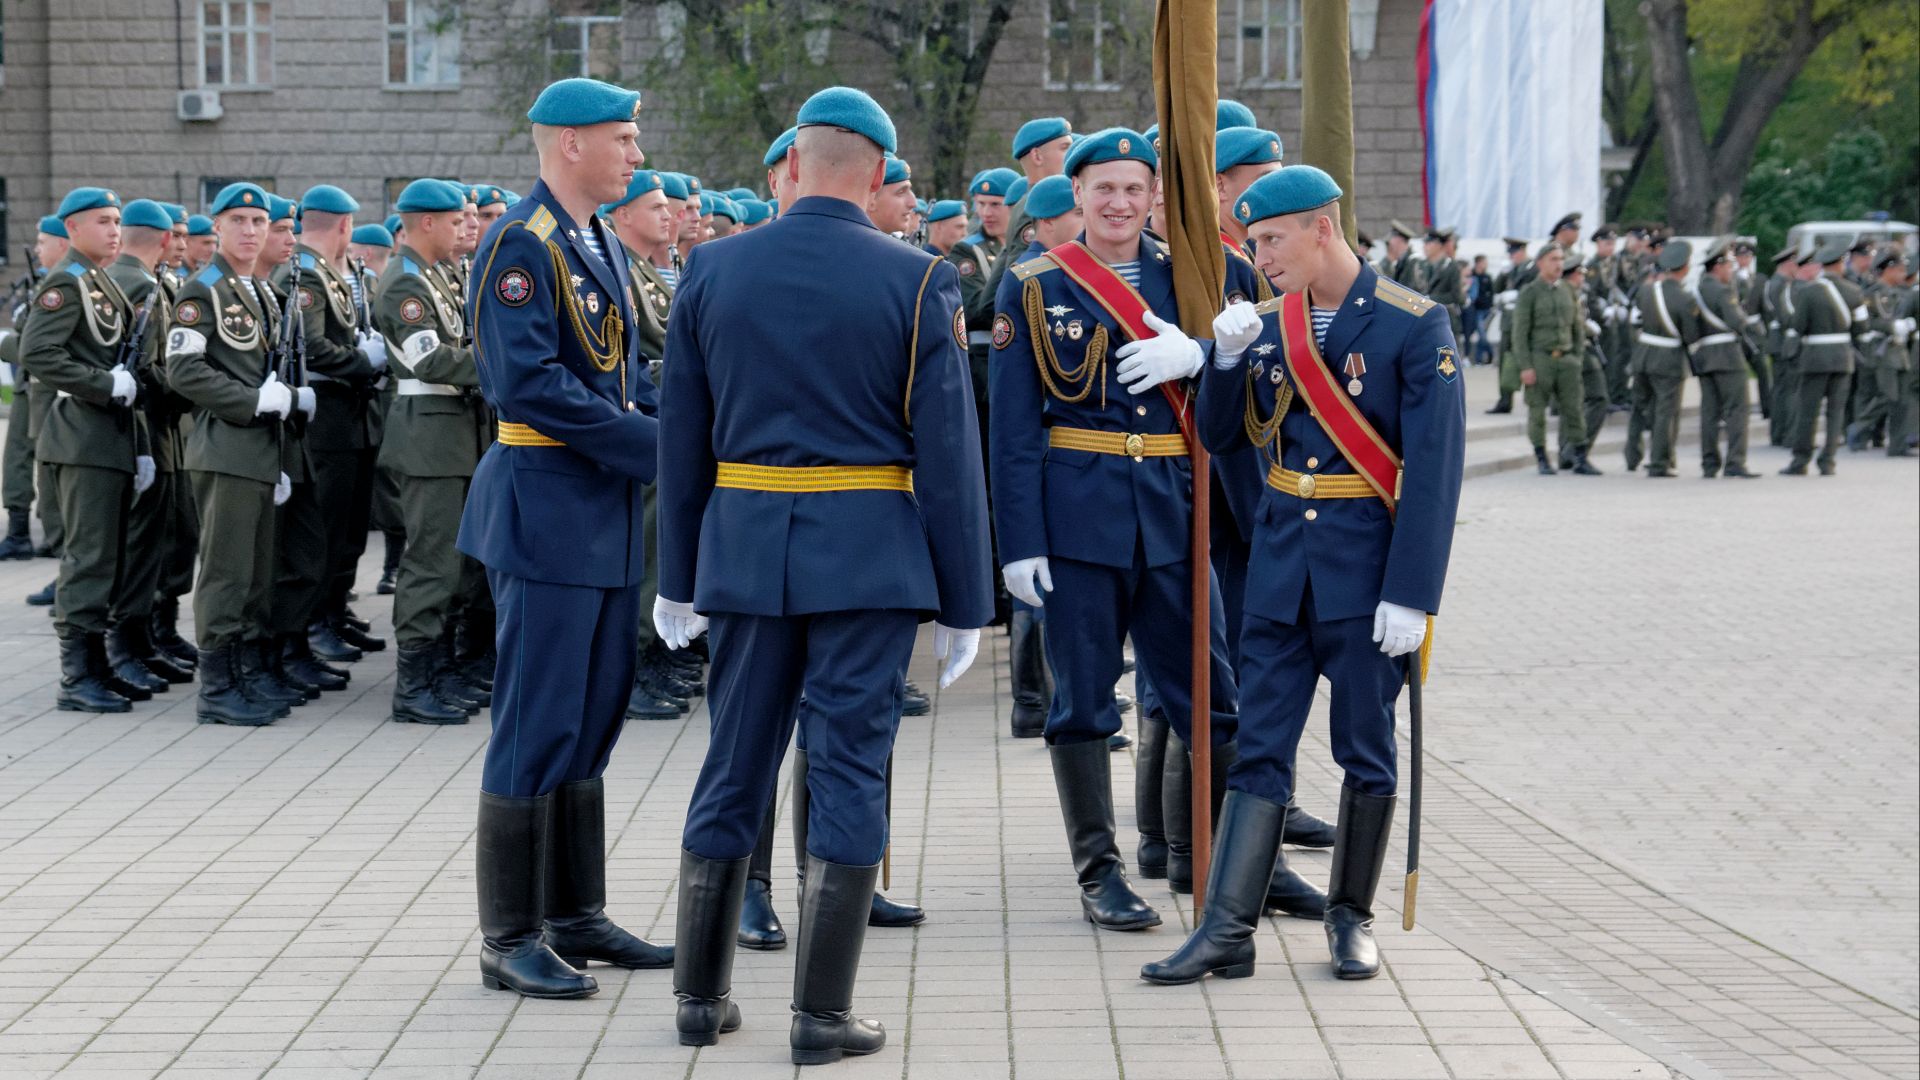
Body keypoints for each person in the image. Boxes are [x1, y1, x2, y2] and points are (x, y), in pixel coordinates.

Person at [655, 86, 991, 1064]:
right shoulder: (920, 281)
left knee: (734, 761)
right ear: (879, 174)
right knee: (847, 767)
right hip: (869, 560)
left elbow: (683, 438)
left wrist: (677, 576)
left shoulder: (711, 267)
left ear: (793, 164)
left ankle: (697, 999)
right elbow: (949, 453)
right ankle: (819, 1015)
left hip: (745, 551)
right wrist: (966, 600)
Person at [1145, 164, 1463, 987]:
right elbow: (1221, 437)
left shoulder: (1413, 324)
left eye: (1272, 240)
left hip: (1366, 577)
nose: (1260, 258)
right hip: (1282, 570)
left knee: (1366, 749)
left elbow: (1434, 474)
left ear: (1323, 228)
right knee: (1259, 749)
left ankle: (1350, 916)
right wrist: (1223, 360)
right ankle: (1227, 929)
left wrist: (1413, 594)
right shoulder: (1267, 325)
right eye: (1253, 242)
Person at [456, 77, 674, 1002]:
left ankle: (575, 914)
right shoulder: (523, 243)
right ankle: (509, 936)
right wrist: (658, 449)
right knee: (537, 719)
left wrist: (682, 426)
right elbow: (530, 384)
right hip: (546, 507)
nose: (636, 154)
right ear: (570, 143)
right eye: (622, 138)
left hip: (599, 511)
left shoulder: (596, 241)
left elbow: (620, 376)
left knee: (593, 715)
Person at [990, 127, 1240, 933]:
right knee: (1083, 704)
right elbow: (1013, 427)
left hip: (1174, 510)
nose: (1120, 203)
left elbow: (1253, 362)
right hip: (1077, 519)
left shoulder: (1197, 273)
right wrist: (1019, 541)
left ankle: (1228, 863)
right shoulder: (1034, 284)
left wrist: (1200, 355)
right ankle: (1100, 874)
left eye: (1135, 188)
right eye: (1104, 188)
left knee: (1211, 696)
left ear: (1154, 194)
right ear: (1078, 194)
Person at [166, 182, 297, 725]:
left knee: (254, 575)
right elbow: (183, 370)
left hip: (259, 450)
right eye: (238, 221)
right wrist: (251, 401)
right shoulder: (204, 290)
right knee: (225, 573)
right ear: (216, 226)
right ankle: (217, 689)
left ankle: (242, 674)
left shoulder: (259, 290)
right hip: (225, 448)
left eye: (258, 222)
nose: (250, 231)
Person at [20, 187, 150, 713]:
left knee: (108, 557)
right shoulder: (66, 281)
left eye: (117, 221)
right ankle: (77, 678)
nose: (114, 230)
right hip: (81, 437)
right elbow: (36, 351)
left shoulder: (101, 281)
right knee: (88, 558)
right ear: (72, 228)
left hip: (109, 437)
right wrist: (102, 384)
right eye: (102, 221)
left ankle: (97, 664)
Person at [377, 178, 491, 724]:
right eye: (455, 220)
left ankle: (440, 670)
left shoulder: (434, 275)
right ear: (426, 223)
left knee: (456, 563)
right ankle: (414, 684)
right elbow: (430, 360)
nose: (465, 227)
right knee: (430, 562)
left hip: (452, 435)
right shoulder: (404, 281)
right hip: (428, 437)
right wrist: (507, 365)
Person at [103, 199, 194, 691]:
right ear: (161, 238)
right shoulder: (137, 283)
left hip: (159, 427)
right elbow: (145, 366)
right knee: (140, 547)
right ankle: (125, 645)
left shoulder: (150, 280)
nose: (181, 243)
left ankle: (145, 638)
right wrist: (190, 387)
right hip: (144, 425)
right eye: (175, 235)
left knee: (161, 542)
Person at [1, 218, 70, 564]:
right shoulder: (44, 284)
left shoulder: (66, 287)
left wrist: (6, 345)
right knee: (17, 456)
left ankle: (58, 540)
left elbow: (38, 346)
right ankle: (19, 533)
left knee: (49, 465)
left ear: (63, 243)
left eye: (43, 242)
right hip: (29, 385)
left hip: (50, 388)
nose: (38, 249)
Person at [1781, 242, 1865, 475]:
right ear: (1840, 264)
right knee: (1835, 412)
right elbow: (1861, 328)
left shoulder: (1808, 292)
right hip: (1842, 358)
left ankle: (1800, 460)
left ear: (1822, 266)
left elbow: (1798, 325)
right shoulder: (1854, 291)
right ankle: (1828, 461)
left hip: (1815, 358)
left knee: (1808, 411)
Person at [1512, 243, 1596, 475]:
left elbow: (1577, 327)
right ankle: (1542, 458)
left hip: (1567, 359)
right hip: (1540, 360)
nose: (1559, 264)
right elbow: (1520, 333)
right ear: (1540, 263)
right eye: (1553, 259)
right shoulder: (1530, 292)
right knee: (1537, 411)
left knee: (1574, 409)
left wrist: (1577, 357)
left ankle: (1580, 457)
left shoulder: (1567, 290)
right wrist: (1525, 366)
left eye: (1560, 259)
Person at [1624, 241, 1697, 477]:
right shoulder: (1685, 298)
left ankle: (1632, 456)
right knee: (1666, 412)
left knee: (1639, 407)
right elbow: (1690, 335)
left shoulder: (1647, 290)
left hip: (1643, 355)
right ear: (1685, 267)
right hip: (1668, 360)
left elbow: (1637, 320)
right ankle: (1659, 462)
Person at [1690, 240, 1760, 478]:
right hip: (1728, 356)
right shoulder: (1722, 291)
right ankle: (1735, 462)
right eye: (1729, 265)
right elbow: (1737, 321)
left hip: (1705, 356)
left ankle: (1709, 463)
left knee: (1709, 413)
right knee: (1737, 409)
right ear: (1717, 266)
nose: (1731, 270)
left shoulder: (1697, 290)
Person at [1852, 249, 1917, 455]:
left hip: (1899, 349)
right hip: (1881, 349)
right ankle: (1858, 429)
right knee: (1888, 395)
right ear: (1888, 270)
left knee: (1903, 399)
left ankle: (1898, 445)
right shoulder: (1873, 293)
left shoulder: (1899, 292)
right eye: (1900, 270)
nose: (1903, 274)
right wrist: (1892, 326)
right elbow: (1867, 322)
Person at [1764, 247, 1802, 447]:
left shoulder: (1773, 282)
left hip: (1775, 340)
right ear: (1788, 264)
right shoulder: (1780, 285)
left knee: (1780, 390)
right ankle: (1787, 433)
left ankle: (1778, 433)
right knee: (1787, 390)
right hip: (1782, 340)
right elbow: (1785, 315)